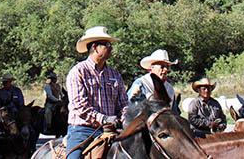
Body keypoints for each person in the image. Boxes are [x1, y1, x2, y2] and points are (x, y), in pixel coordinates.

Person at [65, 26, 128, 159]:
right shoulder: (78, 71)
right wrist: (103, 119)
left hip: (112, 129)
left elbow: (123, 104)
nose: (111, 48)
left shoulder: (115, 74)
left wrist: (126, 119)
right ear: (95, 47)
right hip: (83, 130)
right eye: (107, 45)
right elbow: (79, 105)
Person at [128, 49, 180, 113]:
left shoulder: (169, 88)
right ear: (152, 67)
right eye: (162, 66)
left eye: (167, 67)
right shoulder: (141, 84)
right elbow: (129, 107)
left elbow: (174, 112)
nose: (166, 69)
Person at [43, 71, 68, 137]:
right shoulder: (47, 86)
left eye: (55, 78)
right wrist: (57, 100)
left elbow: (61, 94)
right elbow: (50, 96)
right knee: (48, 112)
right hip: (50, 103)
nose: (55, 79)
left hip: (58, 103)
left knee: (64, 110)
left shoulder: (58, 86)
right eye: (54, 78)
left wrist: (63, 99)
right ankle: (48, 125)